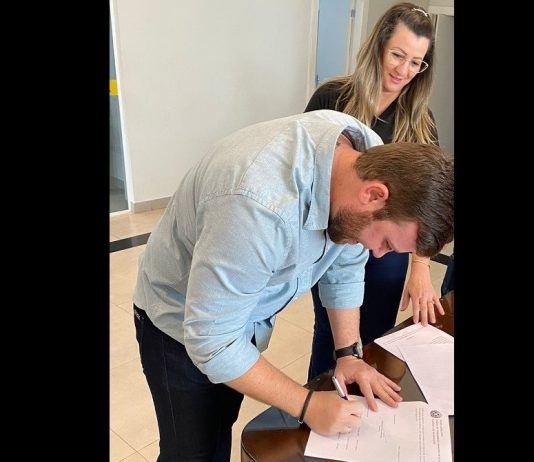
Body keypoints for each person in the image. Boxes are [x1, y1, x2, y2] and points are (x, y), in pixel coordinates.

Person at [133, 109, 454, 461]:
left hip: (235, 317)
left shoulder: (365, 158)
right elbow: (213, 342)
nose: (378, 254)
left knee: (219, 421)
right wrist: (306, 404)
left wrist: (348, 355)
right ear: (374, 195)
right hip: (177, 323)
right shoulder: (258, 206)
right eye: (387, 243)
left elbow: (344, 266)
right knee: (193, 451)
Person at [305, 2, 446, 381]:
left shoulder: (420, 122)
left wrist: (420, 269)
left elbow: (427, 203)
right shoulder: (332, 98)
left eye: (416, 62)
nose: (404, 70)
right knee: (330, 334)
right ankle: (321, 402)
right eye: (398, 55)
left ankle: (365, 404)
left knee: (375, 337)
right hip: (336, 239)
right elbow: (307, 167)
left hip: (388, 248)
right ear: (378, 46)